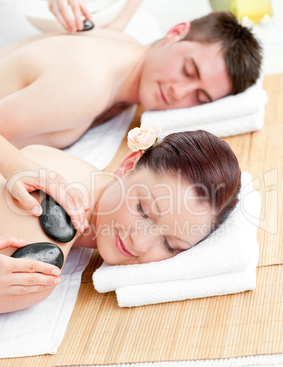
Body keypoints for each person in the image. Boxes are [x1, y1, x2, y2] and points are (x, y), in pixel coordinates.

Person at [0, 126, 241, 313]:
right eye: (143, 210)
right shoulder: (35, 268)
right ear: (128, 164)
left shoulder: (79, 171)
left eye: (170, 245)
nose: (140, 242)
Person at [0, 11, 262, 149]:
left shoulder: (127, 48)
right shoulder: (89, 84)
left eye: (201, 97)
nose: (179, 93)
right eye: (188, 70)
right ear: (175, 33)